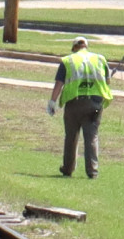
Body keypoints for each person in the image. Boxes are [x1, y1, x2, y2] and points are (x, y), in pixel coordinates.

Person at [47, 37, 113, 179]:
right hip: (94, 103)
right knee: (92, 137)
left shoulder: (68, 61)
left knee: (71, 136)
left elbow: (59, 83)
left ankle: (68, 169)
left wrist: (52, 101)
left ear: (74, 48)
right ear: (86, 47)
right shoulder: (100, 59)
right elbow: (107, 81)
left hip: (74, 103)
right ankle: (92, 171)